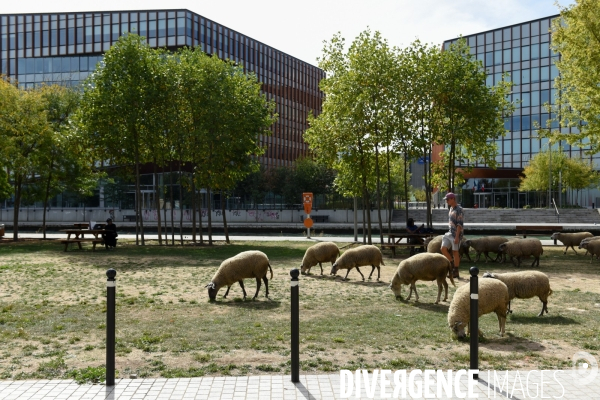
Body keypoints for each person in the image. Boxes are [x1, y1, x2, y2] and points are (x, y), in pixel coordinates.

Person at [441, 192, 464, 279]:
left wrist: (457, 237)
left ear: (453, 199)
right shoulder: (451, 208)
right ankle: (452, 264)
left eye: (447, 199)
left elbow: (459, 224)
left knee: (455, 252)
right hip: (449, 232)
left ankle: (455, 271)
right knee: (443, 248)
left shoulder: (459, 209)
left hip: (456, 234)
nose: (446, 201)